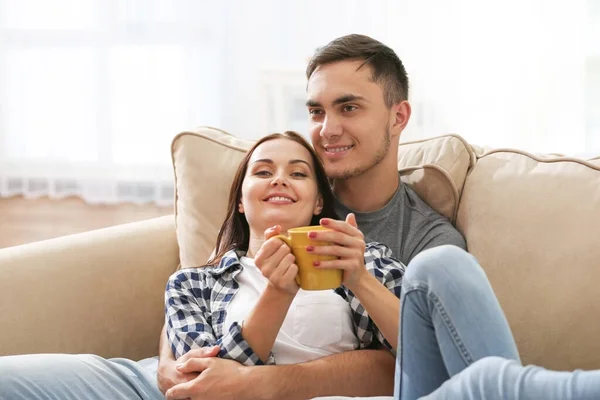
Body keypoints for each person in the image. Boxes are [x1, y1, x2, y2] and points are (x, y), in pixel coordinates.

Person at [2, 33, 598, 400]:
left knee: (451, 295)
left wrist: (356, 277)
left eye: (349, 108)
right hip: (150, 377)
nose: (327, 129)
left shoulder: (405, 248)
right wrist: (168, 366)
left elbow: (410, 367)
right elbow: (186, 342)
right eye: (316, 110)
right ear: (237, 199)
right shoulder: (205, 277)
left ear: (398, 117)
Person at [164, 130, 404, 373]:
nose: (279, 180)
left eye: (298, 173)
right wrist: (277, 293)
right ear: (240, 200)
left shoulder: (365, 260)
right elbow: (204, 380)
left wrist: (360, 280)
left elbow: (427, 351)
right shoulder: (190, 285)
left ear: (318, 201)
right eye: (263, 172)